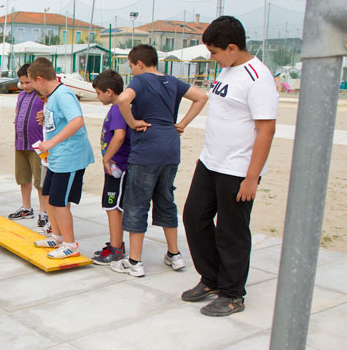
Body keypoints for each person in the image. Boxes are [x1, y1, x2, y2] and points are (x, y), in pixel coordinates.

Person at [182, 16, 278, 316]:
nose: (212, 58)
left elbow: (266, 130)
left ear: (233, 48)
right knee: (194, 218)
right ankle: (211, 279)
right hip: (211, 162)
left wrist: (252, 178)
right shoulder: (226, 71)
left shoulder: (257, 77)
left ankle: (233, 294)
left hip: (238, 170)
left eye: (214, 52)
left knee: (231, 231)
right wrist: (206, 154)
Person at [110, 44, 208, 277]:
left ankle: (134, 261)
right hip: (171, 147)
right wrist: (182, 123)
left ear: (140, 63)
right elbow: (201, 97)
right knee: (166, 200)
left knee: (137, 203)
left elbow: (123, 100)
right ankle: (174, 255)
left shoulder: (141, 80)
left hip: (147, 150)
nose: (132, 71)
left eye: (132, 66)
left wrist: (133, 122)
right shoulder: (172, 81)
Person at [29, 58, 95, 259]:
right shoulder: (53, 96)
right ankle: (56, 236)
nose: (32, 87)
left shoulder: (64, 94)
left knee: (59, 202)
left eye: (31, 83)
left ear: (39, 79)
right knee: (48, 196)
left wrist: (50, 143)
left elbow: (77, 121)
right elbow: (60, 122)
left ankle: (70, 244)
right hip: (56, 158)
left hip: (70, 158)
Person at [91, 70, 131, 265]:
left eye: (98, 93)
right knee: (110, 205)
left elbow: (119, 135)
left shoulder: (118, 109)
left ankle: (116, 248)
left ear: (109, 91)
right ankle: (116, 244)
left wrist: (107, 158)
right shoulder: (118, 108)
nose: (97, 97)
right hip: (115, 166)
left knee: (113, 206)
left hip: (118, 166)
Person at [9, 64, 48, 227]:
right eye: (21, 83)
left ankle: (43, 211)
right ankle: (26, 207)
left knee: (40, 180)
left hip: (37, 144)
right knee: (23, 177)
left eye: (27, 82)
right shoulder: (20, 96)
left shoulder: (42, 96)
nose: (24, 86)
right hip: (21, 142)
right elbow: (18, 113)